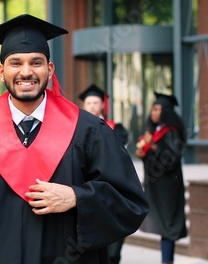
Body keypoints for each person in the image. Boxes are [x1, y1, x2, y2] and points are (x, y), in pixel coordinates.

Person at [0, 14, 149, 263]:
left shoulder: (88, 131)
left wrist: (77, 198)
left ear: (50, 68)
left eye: (36, 62)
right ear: (1, 72)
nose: (26, 72)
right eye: (16, 63)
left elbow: (131, 203)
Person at [79, 84, 130, 264]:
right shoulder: (75, 127)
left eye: (96, 102)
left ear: (102, 105)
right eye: (89, 102)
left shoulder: (115, 128)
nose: (92, 106)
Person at [136, 92, 187, 264]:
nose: (153, 113)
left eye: (157, 109)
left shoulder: (171, 132)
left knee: (167, 225)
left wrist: (151, 145)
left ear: (166, 111)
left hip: (168, 188)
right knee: (163, 224)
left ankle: (167, 260)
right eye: (152, 109)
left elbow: (170, 159)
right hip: (157, 185)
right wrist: (143, 153)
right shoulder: (155, 131)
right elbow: (153, 158)